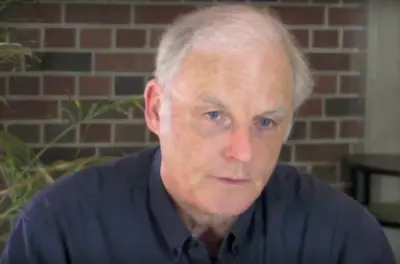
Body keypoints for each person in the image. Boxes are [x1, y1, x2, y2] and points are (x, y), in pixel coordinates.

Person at [0, 4, 396, 264]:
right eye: (214, 115)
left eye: (265, 122)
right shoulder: (61, 229)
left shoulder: (343, 237)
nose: (243, 152)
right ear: (156, 109)